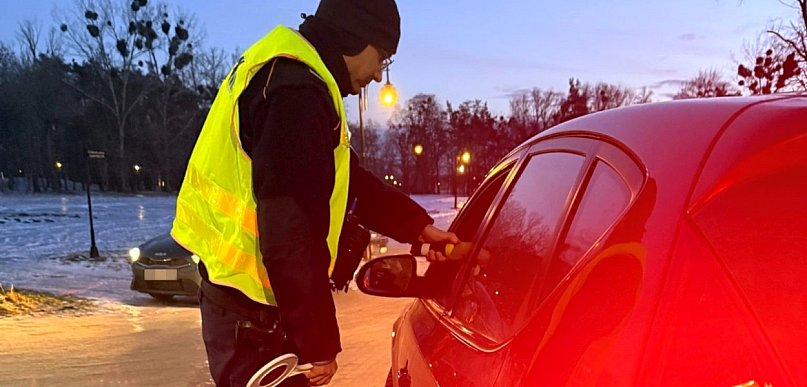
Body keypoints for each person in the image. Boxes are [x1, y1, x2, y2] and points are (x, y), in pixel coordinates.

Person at [170, 0, 459, 386]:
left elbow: (347, 181)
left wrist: (417, 228)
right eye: (381, 58)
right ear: (356, 37)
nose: (378, 75)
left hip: (244, 310)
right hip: (254, 322)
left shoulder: (290, 74)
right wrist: (316, 342)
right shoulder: (296, 94)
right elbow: (291, 231)